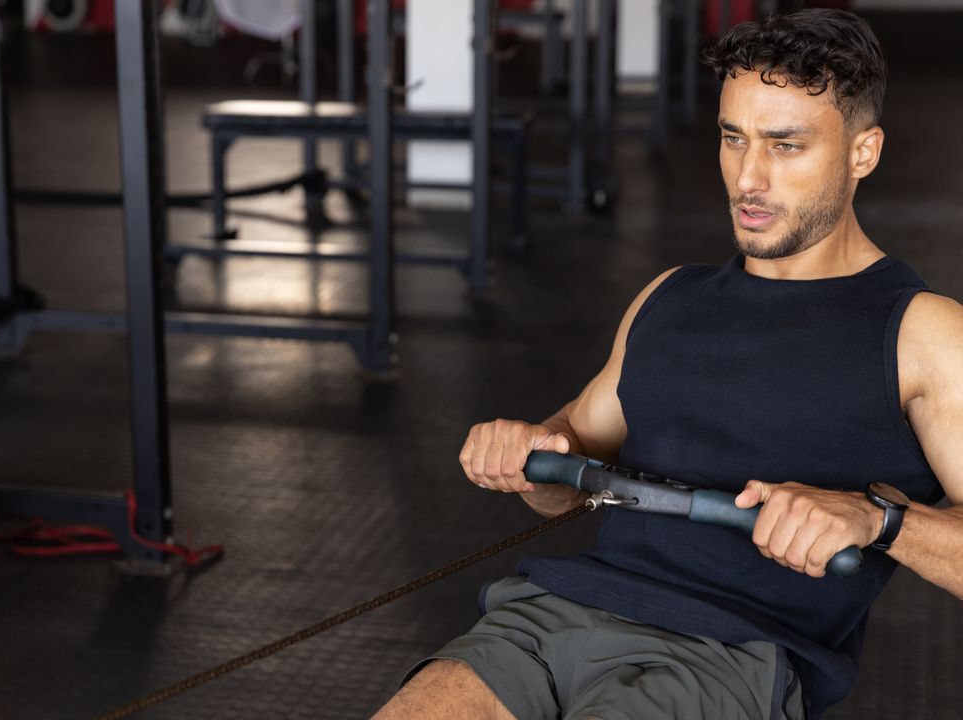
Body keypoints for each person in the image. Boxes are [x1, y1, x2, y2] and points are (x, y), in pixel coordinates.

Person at [372, 8, 963, 720]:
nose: (749, 177)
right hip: (552, 616)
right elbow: (565, 474)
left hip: (729, 652)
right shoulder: (670, 296)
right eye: (732, 138)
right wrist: (527, 451)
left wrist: (880, 522)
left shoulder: (922, 332)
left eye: (786, 146)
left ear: (862, 152)